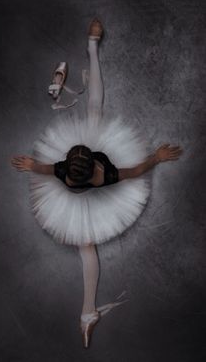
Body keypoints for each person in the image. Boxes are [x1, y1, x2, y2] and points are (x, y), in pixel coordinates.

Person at [11, 19, 182, 348]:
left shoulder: (75, 170)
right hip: (85, 181)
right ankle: (88, 311)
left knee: (86, 249)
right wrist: (157, 157)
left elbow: (47, 167)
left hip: (81, 178)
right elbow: (135, 170)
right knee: (94, 111)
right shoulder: (89, 171)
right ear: (87, 162)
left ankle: (88, 311)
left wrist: (30, 164)